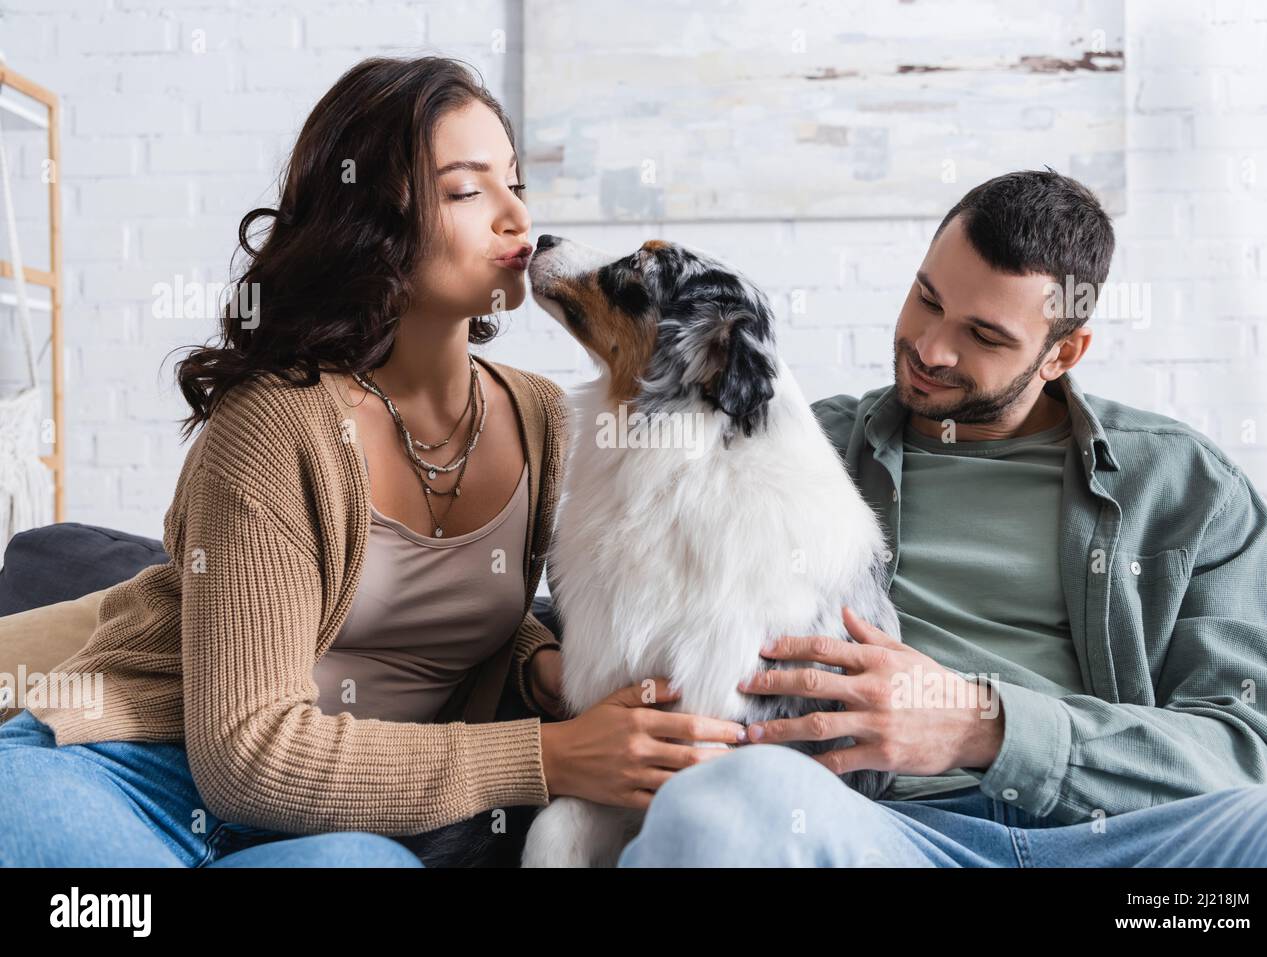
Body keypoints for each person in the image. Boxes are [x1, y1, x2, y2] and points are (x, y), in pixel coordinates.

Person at [0, 55, 743, 868]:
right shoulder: (276, 425)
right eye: (467, 190)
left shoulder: (546, 419)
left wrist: (540, 664)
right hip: (130, 775)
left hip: (332, 828)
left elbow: (461, 612)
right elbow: (247, 753)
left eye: (515, 182)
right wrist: (549, 756)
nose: (514, 218)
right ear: (372, 225)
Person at [617, 169, 1267, 867]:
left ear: (1062, 353)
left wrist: (984, 727)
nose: (931, 348)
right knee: (717, 811)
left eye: (982, 334)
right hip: (886, 833)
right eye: (926, 298)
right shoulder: (802, 450)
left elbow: (1258, 747)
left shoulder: (1191, 489)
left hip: (1129, 841)